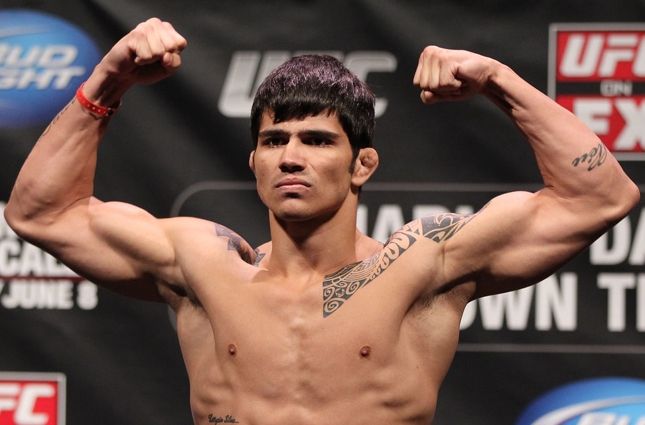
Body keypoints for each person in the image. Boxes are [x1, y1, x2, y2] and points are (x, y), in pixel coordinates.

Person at [4, 17, 639, 424]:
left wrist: (499, 81)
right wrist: (107, 81)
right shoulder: (201, 265)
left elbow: (598, 197)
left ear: (363, 164)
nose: (291, 157)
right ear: (253, 161)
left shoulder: (424, 263)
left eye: (317, 140)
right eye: (274, 141)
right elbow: (42, 213)